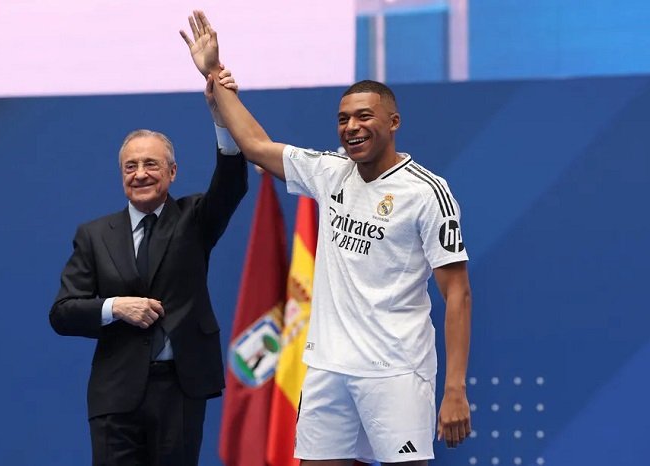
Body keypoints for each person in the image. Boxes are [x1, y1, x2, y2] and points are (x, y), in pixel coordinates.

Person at [180, 11, 473, 466]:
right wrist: (215, 75)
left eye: (363, 116)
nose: (351, 127)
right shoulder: (329, 172)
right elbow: (257, 145)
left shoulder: (427, 192)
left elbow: (457, 294)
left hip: (395, 370)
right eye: (342, 119)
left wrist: (454, 388)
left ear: (393, 122)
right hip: (327, 368)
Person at [49, 69, 247, 466]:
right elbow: (63, 313)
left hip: (180, 387)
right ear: (121, 175)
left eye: (151, 164)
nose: (140, 173)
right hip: (115, 394)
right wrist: (114, 307)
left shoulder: (195, 218)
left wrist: (221, 115)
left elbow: (231, 181)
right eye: (130, 166)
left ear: (172, 172)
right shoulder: (93, 235)